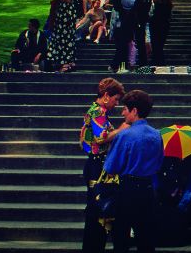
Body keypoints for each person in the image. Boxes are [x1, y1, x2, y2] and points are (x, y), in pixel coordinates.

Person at [104, 90, 163, 253]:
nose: (122, 112)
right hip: (148, 189)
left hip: (127, 189)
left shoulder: (125, 135)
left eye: (125, 108)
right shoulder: (157, 135)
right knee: (146, 238)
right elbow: (159, 162)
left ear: (134, 111)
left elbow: (111, 167)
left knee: (121, 237)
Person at [81, 77, 127, 253]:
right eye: (115, 99)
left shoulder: (97, 111)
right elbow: (102, 137)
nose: (116, 104)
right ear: (107, 95)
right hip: (95, 165)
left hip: (96, 164)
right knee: (97, 208)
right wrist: (121, 130)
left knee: (97, 207)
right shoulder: (98, 112)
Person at [46, 0, 80, 73]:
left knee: (64, 38)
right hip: (63, 13)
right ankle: (64, 61)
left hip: (66, 14)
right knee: (61, 37)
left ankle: (66, 62)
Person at [110, 0, 142, 73]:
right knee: (124, 45)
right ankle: (122, 66)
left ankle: (123, 66)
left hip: (130, 21)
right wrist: (124, 11)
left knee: (126, 45)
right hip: (127, 22)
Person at [149, 0, 173, 66]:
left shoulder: (154, 3)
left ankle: (157, 62)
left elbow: (151, 14)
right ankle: (160, 62)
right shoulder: (167, 3)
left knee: (155, 45)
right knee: (160, 45)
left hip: (155, 25)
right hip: (164, 26)